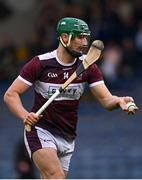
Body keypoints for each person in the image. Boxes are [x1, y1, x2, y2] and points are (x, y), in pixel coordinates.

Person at [4, 17, 138, 179]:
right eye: (79, 37)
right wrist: (25, 115)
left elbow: (106, 100)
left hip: (67, 135)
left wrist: (118, 101)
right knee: (56, 176)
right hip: (40, 130)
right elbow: (11, 94)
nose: (84, 42)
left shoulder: (89, 67)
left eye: (86, 38)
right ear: (65, 37)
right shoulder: (41, 63)